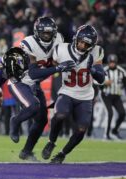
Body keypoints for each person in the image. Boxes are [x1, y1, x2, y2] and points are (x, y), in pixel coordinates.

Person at [41, 25, 105, 164]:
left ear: (92, 45)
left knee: (82, 129)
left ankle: (62, 154)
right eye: (81, 41)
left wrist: (93, 70)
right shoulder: (61, 49)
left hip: (85, 96)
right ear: (76, 39)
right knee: (60, 115)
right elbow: (48, 67)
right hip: (67, 91)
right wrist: (57, 68)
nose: (82, 45)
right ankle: (51, 142)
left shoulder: (96, 52)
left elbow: (101, 79)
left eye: (86, 44)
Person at [8, 16, 67, 161]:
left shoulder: (59, 39)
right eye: (44, 33)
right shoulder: (28, 43)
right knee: (33, 106)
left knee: (41, 120)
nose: (47, 36)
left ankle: (26, 151)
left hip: (34, 84)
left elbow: (63, 55)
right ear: (37, 32)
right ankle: (15, 121)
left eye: (49, 33)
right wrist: (57, 68)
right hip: (19, 81)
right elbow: (33, 72)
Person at [101, 54, 126, 140]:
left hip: (117, 96)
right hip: (106, 95)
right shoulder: (104, 71)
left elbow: (125, 83)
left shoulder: (122, 71)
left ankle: (114, 131)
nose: (112, 64)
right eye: (110, 62)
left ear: (116, 63)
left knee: (122, 113)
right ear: (108, 63)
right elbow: (97, 83)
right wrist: (104, 83)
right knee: (110, 113)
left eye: (113, 62)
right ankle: (106, 135)